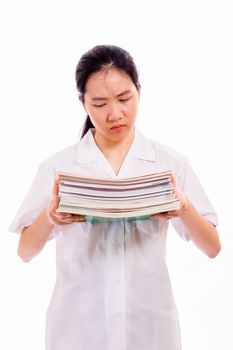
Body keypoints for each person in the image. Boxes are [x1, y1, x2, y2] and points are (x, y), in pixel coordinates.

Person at [9, 44, 221, 350]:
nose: (115, 114)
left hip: (149, 326)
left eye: (124, 99)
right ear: (82, 103)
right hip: (79, 327)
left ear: (139, 91)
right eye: (99, 103)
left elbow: (213, 247)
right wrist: (49, 216)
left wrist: (183, 207)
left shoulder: (169, 163)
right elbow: (25, 252)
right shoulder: (59, 166)